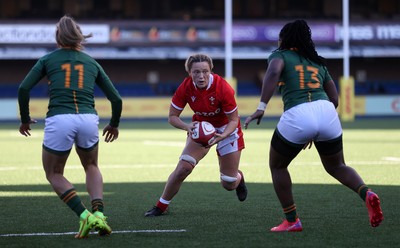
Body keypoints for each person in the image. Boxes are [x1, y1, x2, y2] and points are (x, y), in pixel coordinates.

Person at [244, 20, 383, 232]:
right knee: (337, 166)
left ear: (285, 39)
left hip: (298, 113)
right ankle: (367, 193)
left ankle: (292, 221)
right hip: (326, 112)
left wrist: (262, 106)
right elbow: (335, 99)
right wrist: (316, 126)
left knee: (278, 166)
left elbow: (273, 73)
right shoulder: (318, 62)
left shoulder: (279, 55)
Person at [18, 15, 122, 238]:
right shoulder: (92, 61)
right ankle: (100, 216)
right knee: (92, 165)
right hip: (87, 118)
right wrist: (113, 124)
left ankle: (85, 217)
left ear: (58, 37)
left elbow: (23, 89)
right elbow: (116, 99)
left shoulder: (47, 59)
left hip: (60, 118)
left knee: (54, 173)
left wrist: (25, 119)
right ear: (78, 36)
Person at [145, 53, 247, 217]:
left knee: (228, 183)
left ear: (211, 71)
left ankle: (239, 178)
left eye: (205, 71)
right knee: (183, 169)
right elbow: (172, 117)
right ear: (189, 73)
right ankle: (161, 206)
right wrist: (187, 127)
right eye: (196, 72)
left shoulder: (223, 88)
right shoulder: (185, 87)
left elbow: (234, 120)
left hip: (227, 129)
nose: (201, 76)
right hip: (201, 130)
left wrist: (222, 136)